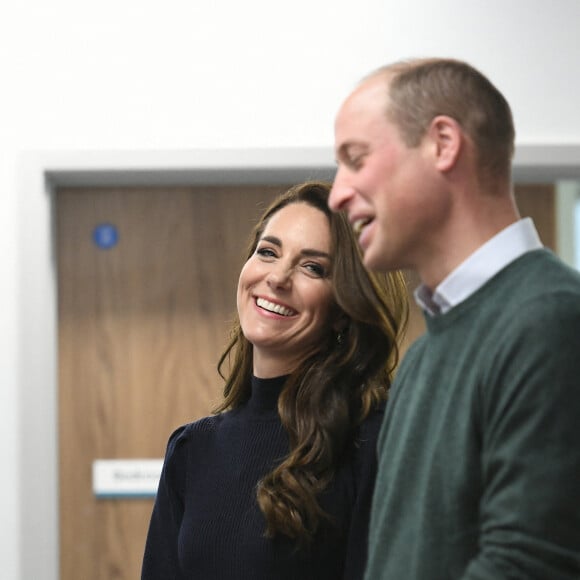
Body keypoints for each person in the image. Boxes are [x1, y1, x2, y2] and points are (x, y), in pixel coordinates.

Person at [328, 57, 580, 579]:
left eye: (356, 159)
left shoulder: (552, 321)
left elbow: (530, 566)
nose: (337, 193)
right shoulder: (423, 357)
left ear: (443, 143)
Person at [141, 180, 408, 579]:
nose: (278, 277)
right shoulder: (192, 449)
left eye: (312, 267)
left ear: (343, 309)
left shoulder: (378, 440)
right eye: (268, 252)